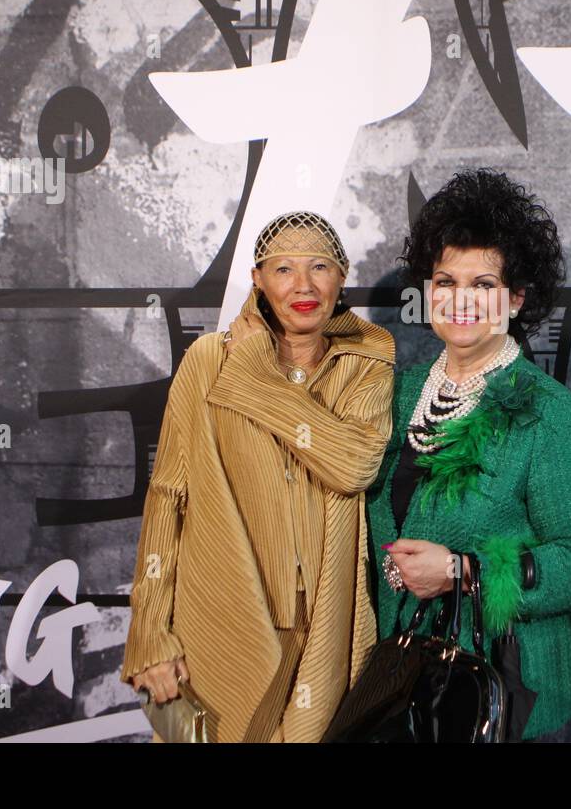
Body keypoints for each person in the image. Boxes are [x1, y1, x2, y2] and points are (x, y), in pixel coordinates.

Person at [366, 168, 571, 741]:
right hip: (404, 691)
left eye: (483, 284)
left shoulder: (545, 411)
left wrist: (465, 571)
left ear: (516, 297)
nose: (462, 301)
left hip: (504, 697)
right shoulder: (398, 392)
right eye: (445, 281)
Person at [121, 210, 395, 742]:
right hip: (219, 619)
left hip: (325, 629)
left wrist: (257, 379)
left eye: (319, 267)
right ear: (257, 280)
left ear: (341, 277)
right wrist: (150, 633)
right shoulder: (209, 361)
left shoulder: (365, 364)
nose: (303, 285)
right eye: (283, 269)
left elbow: (354, 465)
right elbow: (168, 497)